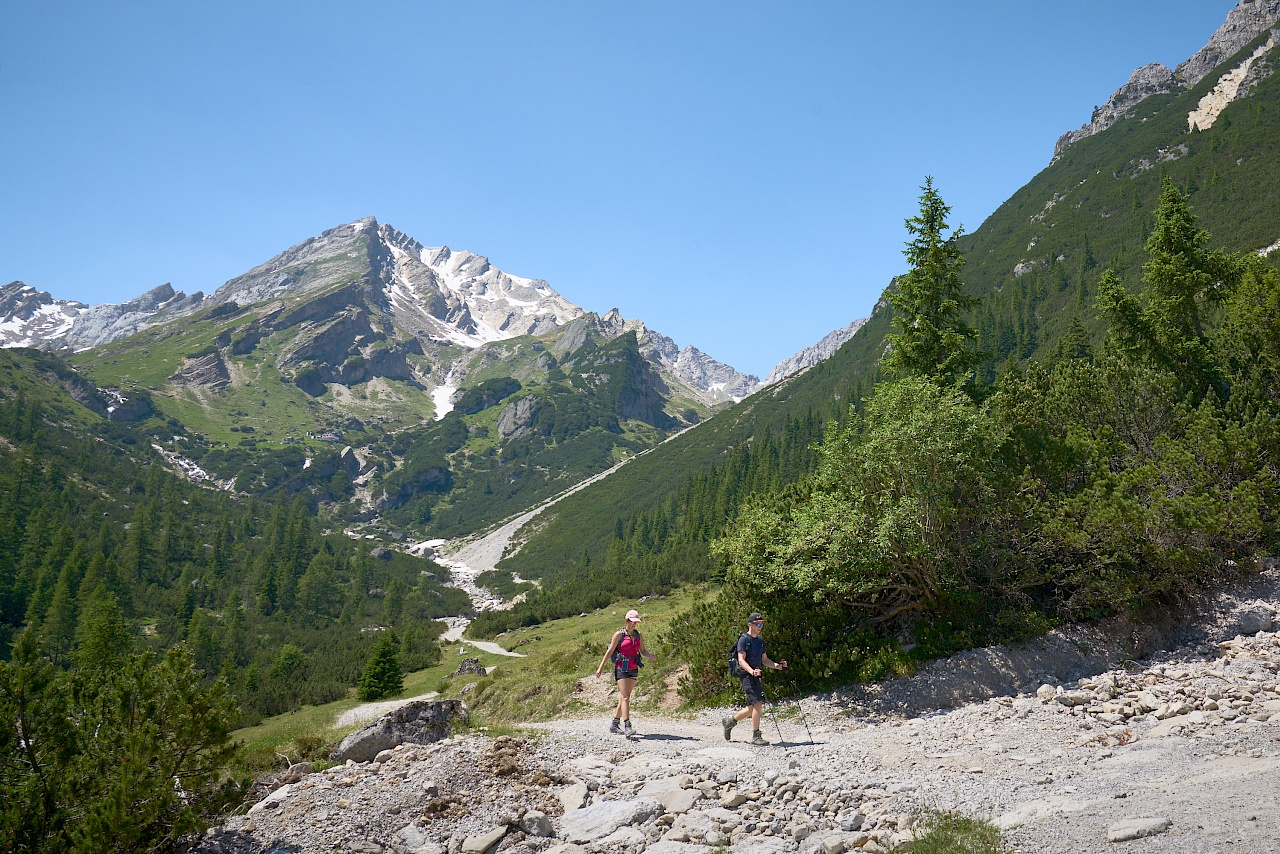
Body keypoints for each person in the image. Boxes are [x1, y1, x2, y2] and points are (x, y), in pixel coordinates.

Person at [722, 611, 787, 746]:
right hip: (746, 675)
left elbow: (765, 660)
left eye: (761, 624)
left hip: (755, 674)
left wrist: (779, 666)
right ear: (750, 624)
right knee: (758, 703)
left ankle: (730, 722)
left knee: (753, 707)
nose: (760, 627)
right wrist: (752, 671)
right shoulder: (744, 639)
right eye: (757, 624)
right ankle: (756, 736)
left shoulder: (760, 641)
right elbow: (741, 660)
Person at [594, 608, 656, 736]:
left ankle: (614, 724)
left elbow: (643, 650)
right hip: (621, 667)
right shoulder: (619, 635)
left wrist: (650, 655)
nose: (634, 624)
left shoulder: (638, 635)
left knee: (624, 697)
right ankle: (627, 725)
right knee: (626, 697)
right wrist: (600, 668)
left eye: (636, 622)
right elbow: (610, 651)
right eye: (632, 621)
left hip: (633, 667)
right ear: (627, 620)